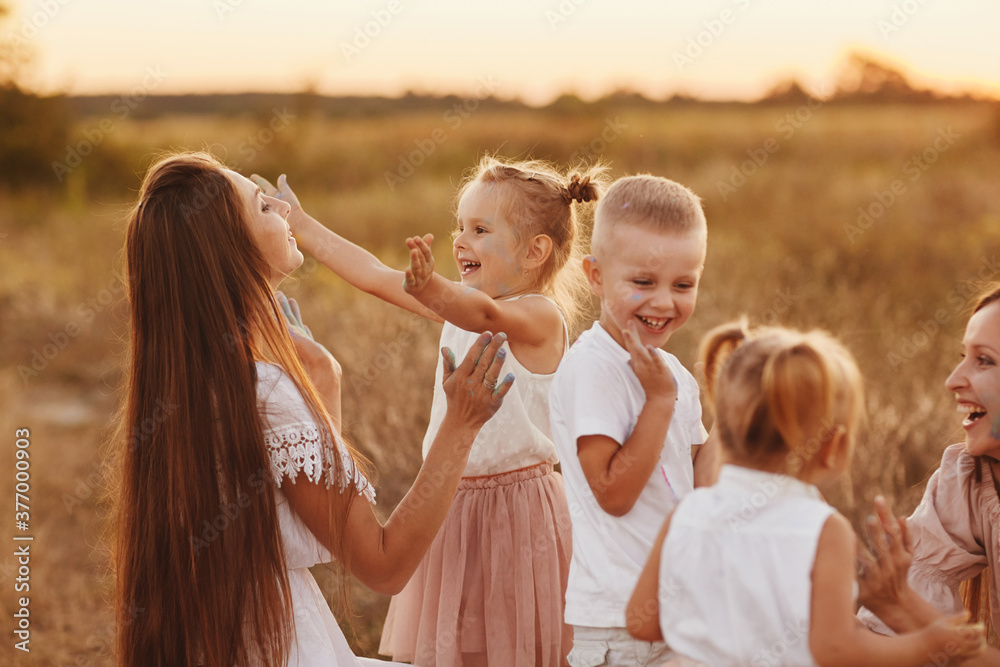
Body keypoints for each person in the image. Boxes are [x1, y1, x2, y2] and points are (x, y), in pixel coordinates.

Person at [113, 152, 515, 667]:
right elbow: (382, 565)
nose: (281, 210)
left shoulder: (200, 379)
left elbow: (313, 530)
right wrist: (459, 425)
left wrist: (324, 375)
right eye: (263, 207)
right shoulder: (264, 393)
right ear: (229, 250)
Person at [252, 156, 606, 666]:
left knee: (511, 645)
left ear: (535, 251)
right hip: (453, 506)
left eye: (481, 229)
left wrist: (429, 287)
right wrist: (301, 224)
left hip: (518, 512)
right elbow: (374, 275)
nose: (461, 240)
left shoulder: (538, 316)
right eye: (460, 226)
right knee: (456, 649)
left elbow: (482, 314)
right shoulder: (461, 300)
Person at [625, 320, 986, 667]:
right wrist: (927, 645)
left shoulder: (687, 512)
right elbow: (834, 649)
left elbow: (640, 621)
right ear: (833, 448)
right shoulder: (824, 529)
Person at [549, 175, 718, 667]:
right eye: (643, 282)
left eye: (683, 285)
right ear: (596, 276)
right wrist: (659, 401)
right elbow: (613, 493)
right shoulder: (593, 368)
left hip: (679, 608)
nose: (664, 301)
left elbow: (695, 482)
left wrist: (737, 414)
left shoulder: (674, 375)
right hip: (617, 624)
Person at [858, 283, 1000, 664]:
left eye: (984, 360)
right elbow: (882, 633)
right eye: (963, 357)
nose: (953, 379)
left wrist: (901, 606)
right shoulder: (971, 479)